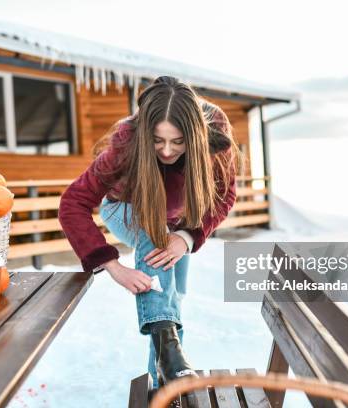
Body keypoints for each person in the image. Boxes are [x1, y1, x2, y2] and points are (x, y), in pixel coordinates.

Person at [59, 76, 240, 387]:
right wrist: (112, 265)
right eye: (157, 140)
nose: (167, 151)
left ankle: (164, 380)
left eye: (178, 141)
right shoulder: (127, 141)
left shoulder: (215, 133)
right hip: (125, 210)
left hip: (175, 224)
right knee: (153, 233)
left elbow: (225, 195)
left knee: (172, 296)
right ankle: (170, 355)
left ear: (195, 136)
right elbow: (72, 202)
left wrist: (185, 238)